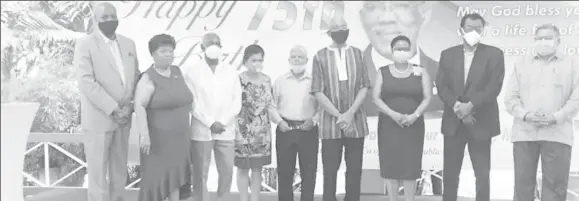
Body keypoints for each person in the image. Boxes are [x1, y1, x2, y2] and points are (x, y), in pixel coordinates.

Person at [504, 24, 578, 201]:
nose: (544, 41)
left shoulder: (573, 64)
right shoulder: (521, 64)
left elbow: (577, 99)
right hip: (525, 134)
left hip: (557, 134)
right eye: (540, 38)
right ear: (534, 40)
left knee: (555, 188)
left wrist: (555, 117)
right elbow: (510, 99)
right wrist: (526, 115)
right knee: (523, 188)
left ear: (558, 41)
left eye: (548, 38)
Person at [436, 13, 505, 201]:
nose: (473, 32)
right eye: (469, 27)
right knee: (450, 174)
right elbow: (442, 86)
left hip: (481, 121)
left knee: (482, 174)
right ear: (461, 30)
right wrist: (459, 107)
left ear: (483, 31)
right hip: (453, 121)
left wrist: (470, 106)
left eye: (478, 28)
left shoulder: (494, 54)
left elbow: (494, 87)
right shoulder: (447, 54)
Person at [74, 3, 140, 201]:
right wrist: (113, 109)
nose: (109, 20)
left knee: (119, 171)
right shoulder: (85, 44)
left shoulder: (129, 44)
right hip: (99, 119)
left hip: (124, 119)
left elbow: (135, 76)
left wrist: (129, 107)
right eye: (104, 17)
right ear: (95, 20)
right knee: (97, 175)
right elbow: (86, 82)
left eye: (112, 16)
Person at [311, 17, 371, 201]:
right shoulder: (320, 56)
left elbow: (365, 86)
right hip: (330, 124)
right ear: (329, 33)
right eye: (337, 29)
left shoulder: (358, 54)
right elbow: (317, 91)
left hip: (356, 122)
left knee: (354, 170)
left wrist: (350, 113)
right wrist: (340, 116)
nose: (342, 31)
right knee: (330, 171)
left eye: (344, 27)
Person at [182, 32, 242, 201]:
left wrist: (222, 122)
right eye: (209, 43)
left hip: (226, 130)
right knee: (200, 173)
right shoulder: (191, 72)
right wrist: (210, 123)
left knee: (227, 171)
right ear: (202, 47)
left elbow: (236, 101)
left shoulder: (231, 71)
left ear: (221, 47)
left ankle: (223, 198)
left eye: (217, 43)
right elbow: (192, 102)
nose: (214, 46)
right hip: (202, 131)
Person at [372, 35, 432, 201]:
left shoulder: (420, 71)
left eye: (405, 48)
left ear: (411, 51)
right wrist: (393, 115)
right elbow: (376, 98)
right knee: (390, 165)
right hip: (389, 125)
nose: (402, 51)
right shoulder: (383, 71)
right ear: (392, 51)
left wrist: (415, 115)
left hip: (413, 125)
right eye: (398, 48)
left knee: (410, 165)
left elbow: (427, 97)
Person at [359, 1, 443, 119]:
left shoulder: (443, 73)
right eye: (373, 7)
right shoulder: (351, 73)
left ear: (425, 12)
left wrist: (415, 115)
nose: (386, 18)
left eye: (401, 5)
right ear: (362, 16)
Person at [134, 34, 193, 201]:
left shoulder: (177, 72)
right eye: (163, 51)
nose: (168, 54)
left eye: (171, 51)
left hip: (180, 141)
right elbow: (139, 106)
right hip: (158, 142)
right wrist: (144, 135)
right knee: (156, 182)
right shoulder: (147, 78)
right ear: (153, 54)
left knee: (175, 181)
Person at [271, 45, 319, 201]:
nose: (297, 59)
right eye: (294, 57)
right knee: (285, 172)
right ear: (289, 60)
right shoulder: (280, 81)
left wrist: (314, 120)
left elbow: (322, 106)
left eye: (300, 57)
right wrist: (279, 122)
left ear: (307, 60)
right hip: (285, 129)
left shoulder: (315, 81)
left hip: (308, 130)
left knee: (309, 172)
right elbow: (270, 105)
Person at [234, 44, 274, 201]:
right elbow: (233, 105)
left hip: (262, 132)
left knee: (257, 168)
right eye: (253, 60)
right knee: (243, 168)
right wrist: (236, 129)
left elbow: (270, 104)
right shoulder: (238, 79)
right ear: (245, 61)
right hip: (242, 130)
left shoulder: (267, 79)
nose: (257, 63)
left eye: (260, 60)